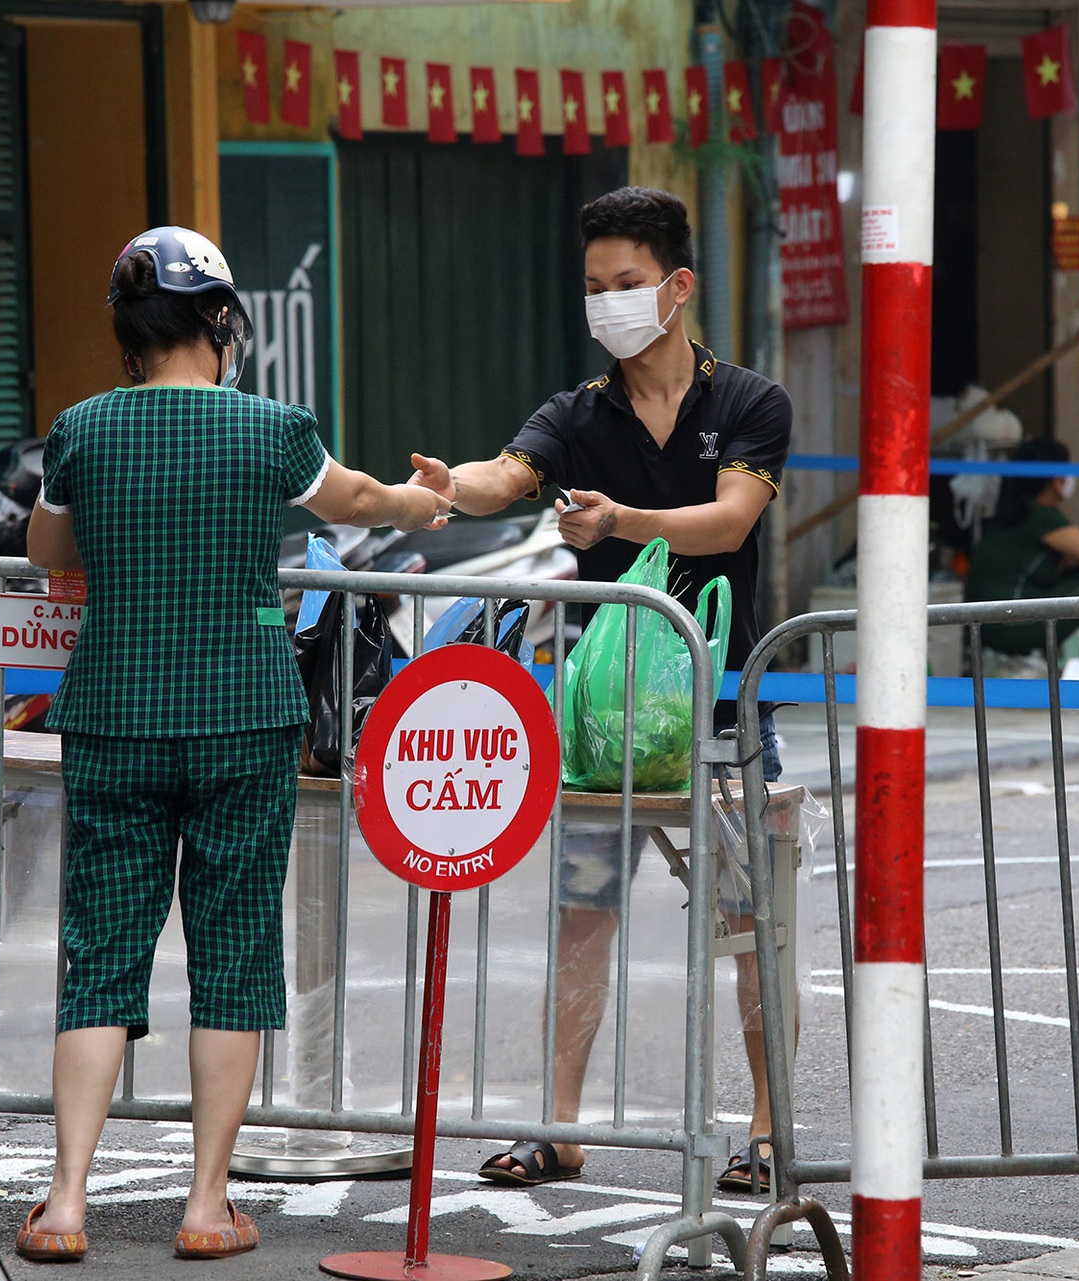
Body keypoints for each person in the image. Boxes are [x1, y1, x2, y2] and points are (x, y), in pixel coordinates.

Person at [19, 226, 446, 1262]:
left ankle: (65, 1204)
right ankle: (208, 1206)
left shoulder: (81, 429)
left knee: (100, 955)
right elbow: (359, 501)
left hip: (114, 715)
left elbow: (45, 550)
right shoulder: (273, 429)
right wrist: (422, 500)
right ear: (219, 323)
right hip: (243, 718)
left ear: (128, 334)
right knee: (233, 953)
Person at [407, 186, 791, 1193]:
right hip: (601, 723)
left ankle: (766, 1131)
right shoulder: (575, 415)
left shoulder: (751, 404)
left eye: (626, 283)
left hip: (725, 714)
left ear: (678, 285)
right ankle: (559, 1126)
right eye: (593, 286)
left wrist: (619, 520)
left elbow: (730, 522)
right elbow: (506, 473)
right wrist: (451, 485)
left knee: (752, 928)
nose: (608, 303)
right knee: (583, 917)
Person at [964, 437, 1079, 657]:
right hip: (1009, 625)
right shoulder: (1041, 517)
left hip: (991, 625)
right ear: (1058, 481)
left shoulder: (1015, 516)